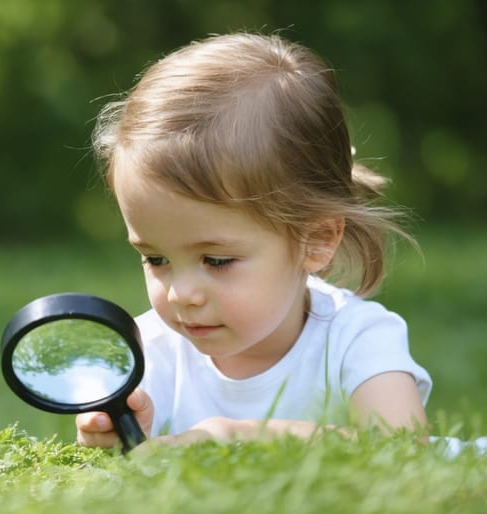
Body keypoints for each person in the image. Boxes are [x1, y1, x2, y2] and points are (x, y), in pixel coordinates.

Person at [76, 32, 432, 448]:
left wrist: (238, 437)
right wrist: (116, 432)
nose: (181, 294)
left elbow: (403, 447)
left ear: (315, 241)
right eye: (156, 259)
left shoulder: (358, 338)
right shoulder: (149, 350)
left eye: (216, 260)